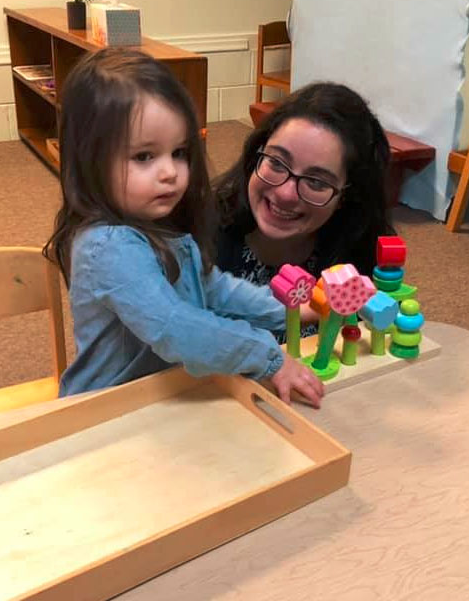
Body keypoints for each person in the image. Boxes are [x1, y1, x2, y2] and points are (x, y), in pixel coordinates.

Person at [44, 48, 324, 406]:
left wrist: (285, 310)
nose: (170, 172)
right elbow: (177, 329)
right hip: (106, 412)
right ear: (90, 162)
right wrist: (267, 356)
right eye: (144, 156)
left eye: (178, 152)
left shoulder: (155, 223)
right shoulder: (108, 246)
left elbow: (215, 289)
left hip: (166, 393)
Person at [214, 82, 394, 341]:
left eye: (317, 182)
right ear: (257, 155)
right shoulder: (193, 241)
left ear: (346, 196)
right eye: (276, 162)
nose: (286, 194)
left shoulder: (358, 261)